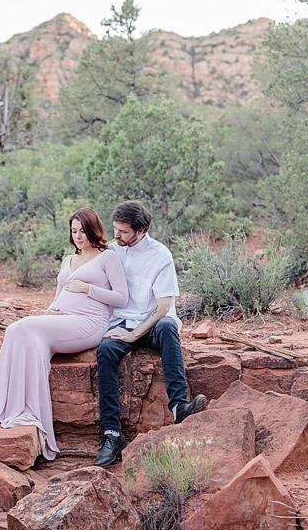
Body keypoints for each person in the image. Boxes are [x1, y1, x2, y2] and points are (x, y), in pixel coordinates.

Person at [0, 207, 128, 460]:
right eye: (74, 231)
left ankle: (30, 413)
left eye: (83, 230)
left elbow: (121, 298)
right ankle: (18, 409)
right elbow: (58, 297)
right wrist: (50, 311)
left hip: (90, 323)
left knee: (25, 326)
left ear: (94, 230)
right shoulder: (67, 260)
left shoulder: (107, 257)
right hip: (63, 318)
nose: (78, 236)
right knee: (16, 330)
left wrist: (88, 289)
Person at [94, 200, 207, 467]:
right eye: (115, 229)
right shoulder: (113, 252)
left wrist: (135, 335)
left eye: (122, 231)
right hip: (122, 321)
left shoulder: (161, 255)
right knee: (106, 350)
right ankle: (112, 435)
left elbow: (163, 306)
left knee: (169, 326)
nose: (116, 235)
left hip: (152, 322)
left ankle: (180, 407)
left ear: (141, 230)